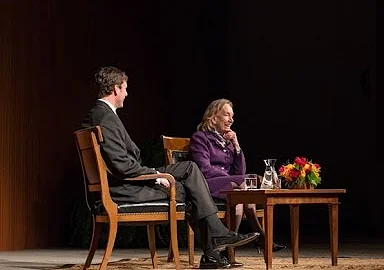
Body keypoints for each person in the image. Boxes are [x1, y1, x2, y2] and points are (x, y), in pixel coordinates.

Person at [81, 66, 258, 269]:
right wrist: (156, 175)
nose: (127, 93)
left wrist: (156, 174)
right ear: (115, 89)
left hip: (126, 182)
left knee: (189, 170)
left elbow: (122, 162)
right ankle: (215, 244)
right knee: (192, 191)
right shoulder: (104, 118)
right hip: (123, 190)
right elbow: (121, 166)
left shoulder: (101, 115)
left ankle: (215, 245)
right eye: (125, 88)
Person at [189, 98, 286, 261]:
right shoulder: (200, 138)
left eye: (232, 116)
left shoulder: (226, 142)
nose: (231, 119)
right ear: (213, 118)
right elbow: (204, 169)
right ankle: (263, 240)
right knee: (243, 186)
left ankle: (229, 250)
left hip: (229, 187)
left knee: (241, 201)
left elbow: (240, 171)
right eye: (227, 115)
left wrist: (236, 144)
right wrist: (233, 179)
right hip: (206, 184)